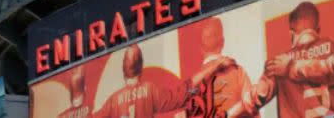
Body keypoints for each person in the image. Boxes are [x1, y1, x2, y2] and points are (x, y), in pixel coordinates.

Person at [93, 43, 233, 118]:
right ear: (141, 66)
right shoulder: (149, 90)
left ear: (123, 70)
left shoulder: (112, 101)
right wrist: (215, 65)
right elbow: (185, 91)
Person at [185, 17, 254, 118]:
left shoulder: (192, 83)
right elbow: (251, 107)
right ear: (222, 42)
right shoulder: (238, 72)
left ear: (200, 48)